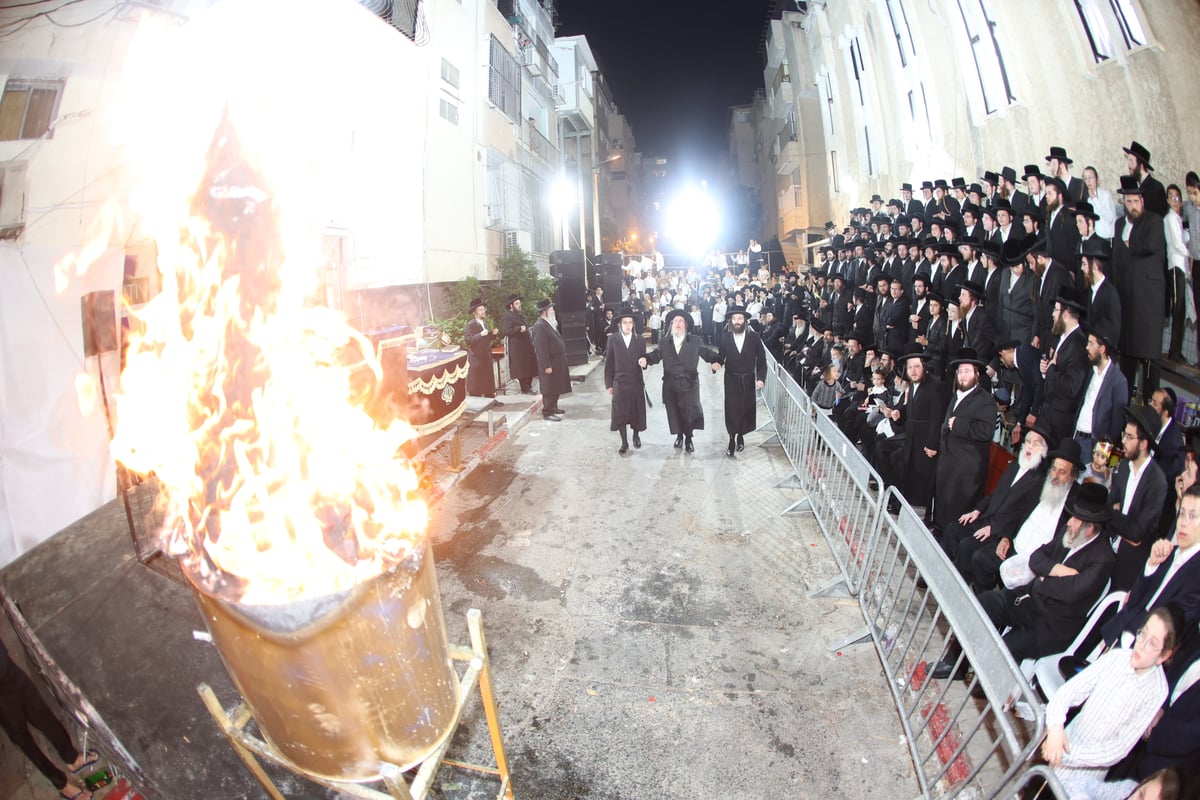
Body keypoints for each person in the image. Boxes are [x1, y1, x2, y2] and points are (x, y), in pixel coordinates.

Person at [1042, 606, 1178, 800]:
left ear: (1163, 656)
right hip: (1060, 746)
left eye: (1152, 643)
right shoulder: (1117, 657)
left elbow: (1117, 748)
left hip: (1085, 775)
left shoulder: (1156, 692)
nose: (1141, 644)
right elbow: (1069, 691)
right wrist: (1055, 727)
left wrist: (1066, 754)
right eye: (1142, 633)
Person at [977, 481, 1116, 662]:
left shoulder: (1103, 558)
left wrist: (1044, 579)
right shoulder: (1069, 534)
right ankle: (957, 662)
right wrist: (1056, 569)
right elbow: (1036, 558)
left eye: (1075, 519)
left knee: (1006, 649)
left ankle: (982, 687)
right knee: (984, 603)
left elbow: (1069, 593)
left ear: (1089, 528)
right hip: (1029, 601)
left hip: (1052, 625)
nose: (1069, 522)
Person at [0, 641, 96, 800]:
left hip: (7, 668)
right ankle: (61, 784)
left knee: (40, 711)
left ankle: (72, 758)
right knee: (21, 736)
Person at [1113, 173, 1167, 401]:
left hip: (1147, 306)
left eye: (1137, 201)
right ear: (1124, 203)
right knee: (1126, 361)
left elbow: (1152, 243)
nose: (1133, 206)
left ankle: (1149, 409)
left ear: (1142, 202)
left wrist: (1130, 244)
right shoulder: (1120, 225)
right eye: (1129, 202)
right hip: (1127, 303)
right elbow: (1116, 259)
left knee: (1149, 363)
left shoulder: (1153, 221)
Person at [932, 348, 998, 531]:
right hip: (948, 461)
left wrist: (959, 425)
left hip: (966, 470)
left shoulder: (985, 400)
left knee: (957, 510)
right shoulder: (957, 396)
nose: (962, 375)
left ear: (977, 375)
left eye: (967, 371)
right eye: (960, 372)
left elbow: (986, 431)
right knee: (943, 502)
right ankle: (938, 529)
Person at [1109, 405, 1169, 590]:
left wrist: (1115, 515)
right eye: (1124, 434)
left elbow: (1137, 532)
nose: (1123, 440)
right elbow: (1109, 504)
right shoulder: (1123, 464)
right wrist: (1120, 520)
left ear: (1143, 444)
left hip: (1130, 563)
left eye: (1129, 437)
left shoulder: (1158, 482)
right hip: (1107, 548)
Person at [644, 309, 719, 453]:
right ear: (671, 325)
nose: (678, 324)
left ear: (686, 325)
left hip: (689, 383)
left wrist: (715, 360)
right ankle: (679, 435)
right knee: (674, 412)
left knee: (689, 412)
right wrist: (646, 359)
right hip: (670, 384)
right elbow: (656, 354)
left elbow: (706, 352)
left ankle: (689, 438)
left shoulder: (695, 341)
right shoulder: (665, 341)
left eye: (681, 321)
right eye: (675, 321)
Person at [712, 305, 768, 457]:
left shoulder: (754, 337)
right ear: (731, 321)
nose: (737, 321)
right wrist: (716, 365)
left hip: (748, 378)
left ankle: (741, 435)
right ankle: (731, 439)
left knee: (745, 409)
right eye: (734, 318)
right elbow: (721, 357)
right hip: (731, 378)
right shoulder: (725, 337)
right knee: (732, 409)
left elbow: (762, 360)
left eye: (740, 318)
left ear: (745, 321)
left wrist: (761, 378)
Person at [602, 306, 649, 455]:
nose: (628, 325)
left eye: (630, 322)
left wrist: (644, 362)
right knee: (620, 412)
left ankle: (636, 435)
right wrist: (609, 384)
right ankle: (624, 442)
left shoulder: (640, 340)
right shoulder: (613, 340)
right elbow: (609, 363)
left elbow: (644, 359)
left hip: (635, 381)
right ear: (619, 324)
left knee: (636, 411)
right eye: (625, 322)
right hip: (620, 382)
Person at [530, 299, 570, 422]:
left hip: (557, 361)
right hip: (549, 362)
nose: (553, 311)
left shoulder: (549, 323)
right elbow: (541, 348)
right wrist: (546, 365)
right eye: (551, 309)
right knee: (549, 387)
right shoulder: (540, 325)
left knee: (556, 385)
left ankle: (554, 407)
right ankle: (547, 412)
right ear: (544, 312)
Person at [500, 294, 536, 394]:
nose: (519, 305)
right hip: (517, 347)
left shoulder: (519, 315)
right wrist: (518, 329)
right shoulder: (507, 316)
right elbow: (506, 331)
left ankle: (529, 387)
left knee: (529, 366)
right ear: (511, 306)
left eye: (519, 303)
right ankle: (525, 389)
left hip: (526, 345)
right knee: (522, 368)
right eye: (517, 303)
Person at [465, 298, 499, 398]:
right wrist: (480, 334)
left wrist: (492, 334)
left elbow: (485, 338)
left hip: (485, 356)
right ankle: (477, 403)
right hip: (477, 358)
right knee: (477, 382)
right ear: (474, 313)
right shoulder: (470, 325)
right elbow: (468, 340)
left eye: (483, 309)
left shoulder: (484, 323)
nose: (483, 311)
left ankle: (490, 399)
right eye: (480, 310)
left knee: (487, 379)